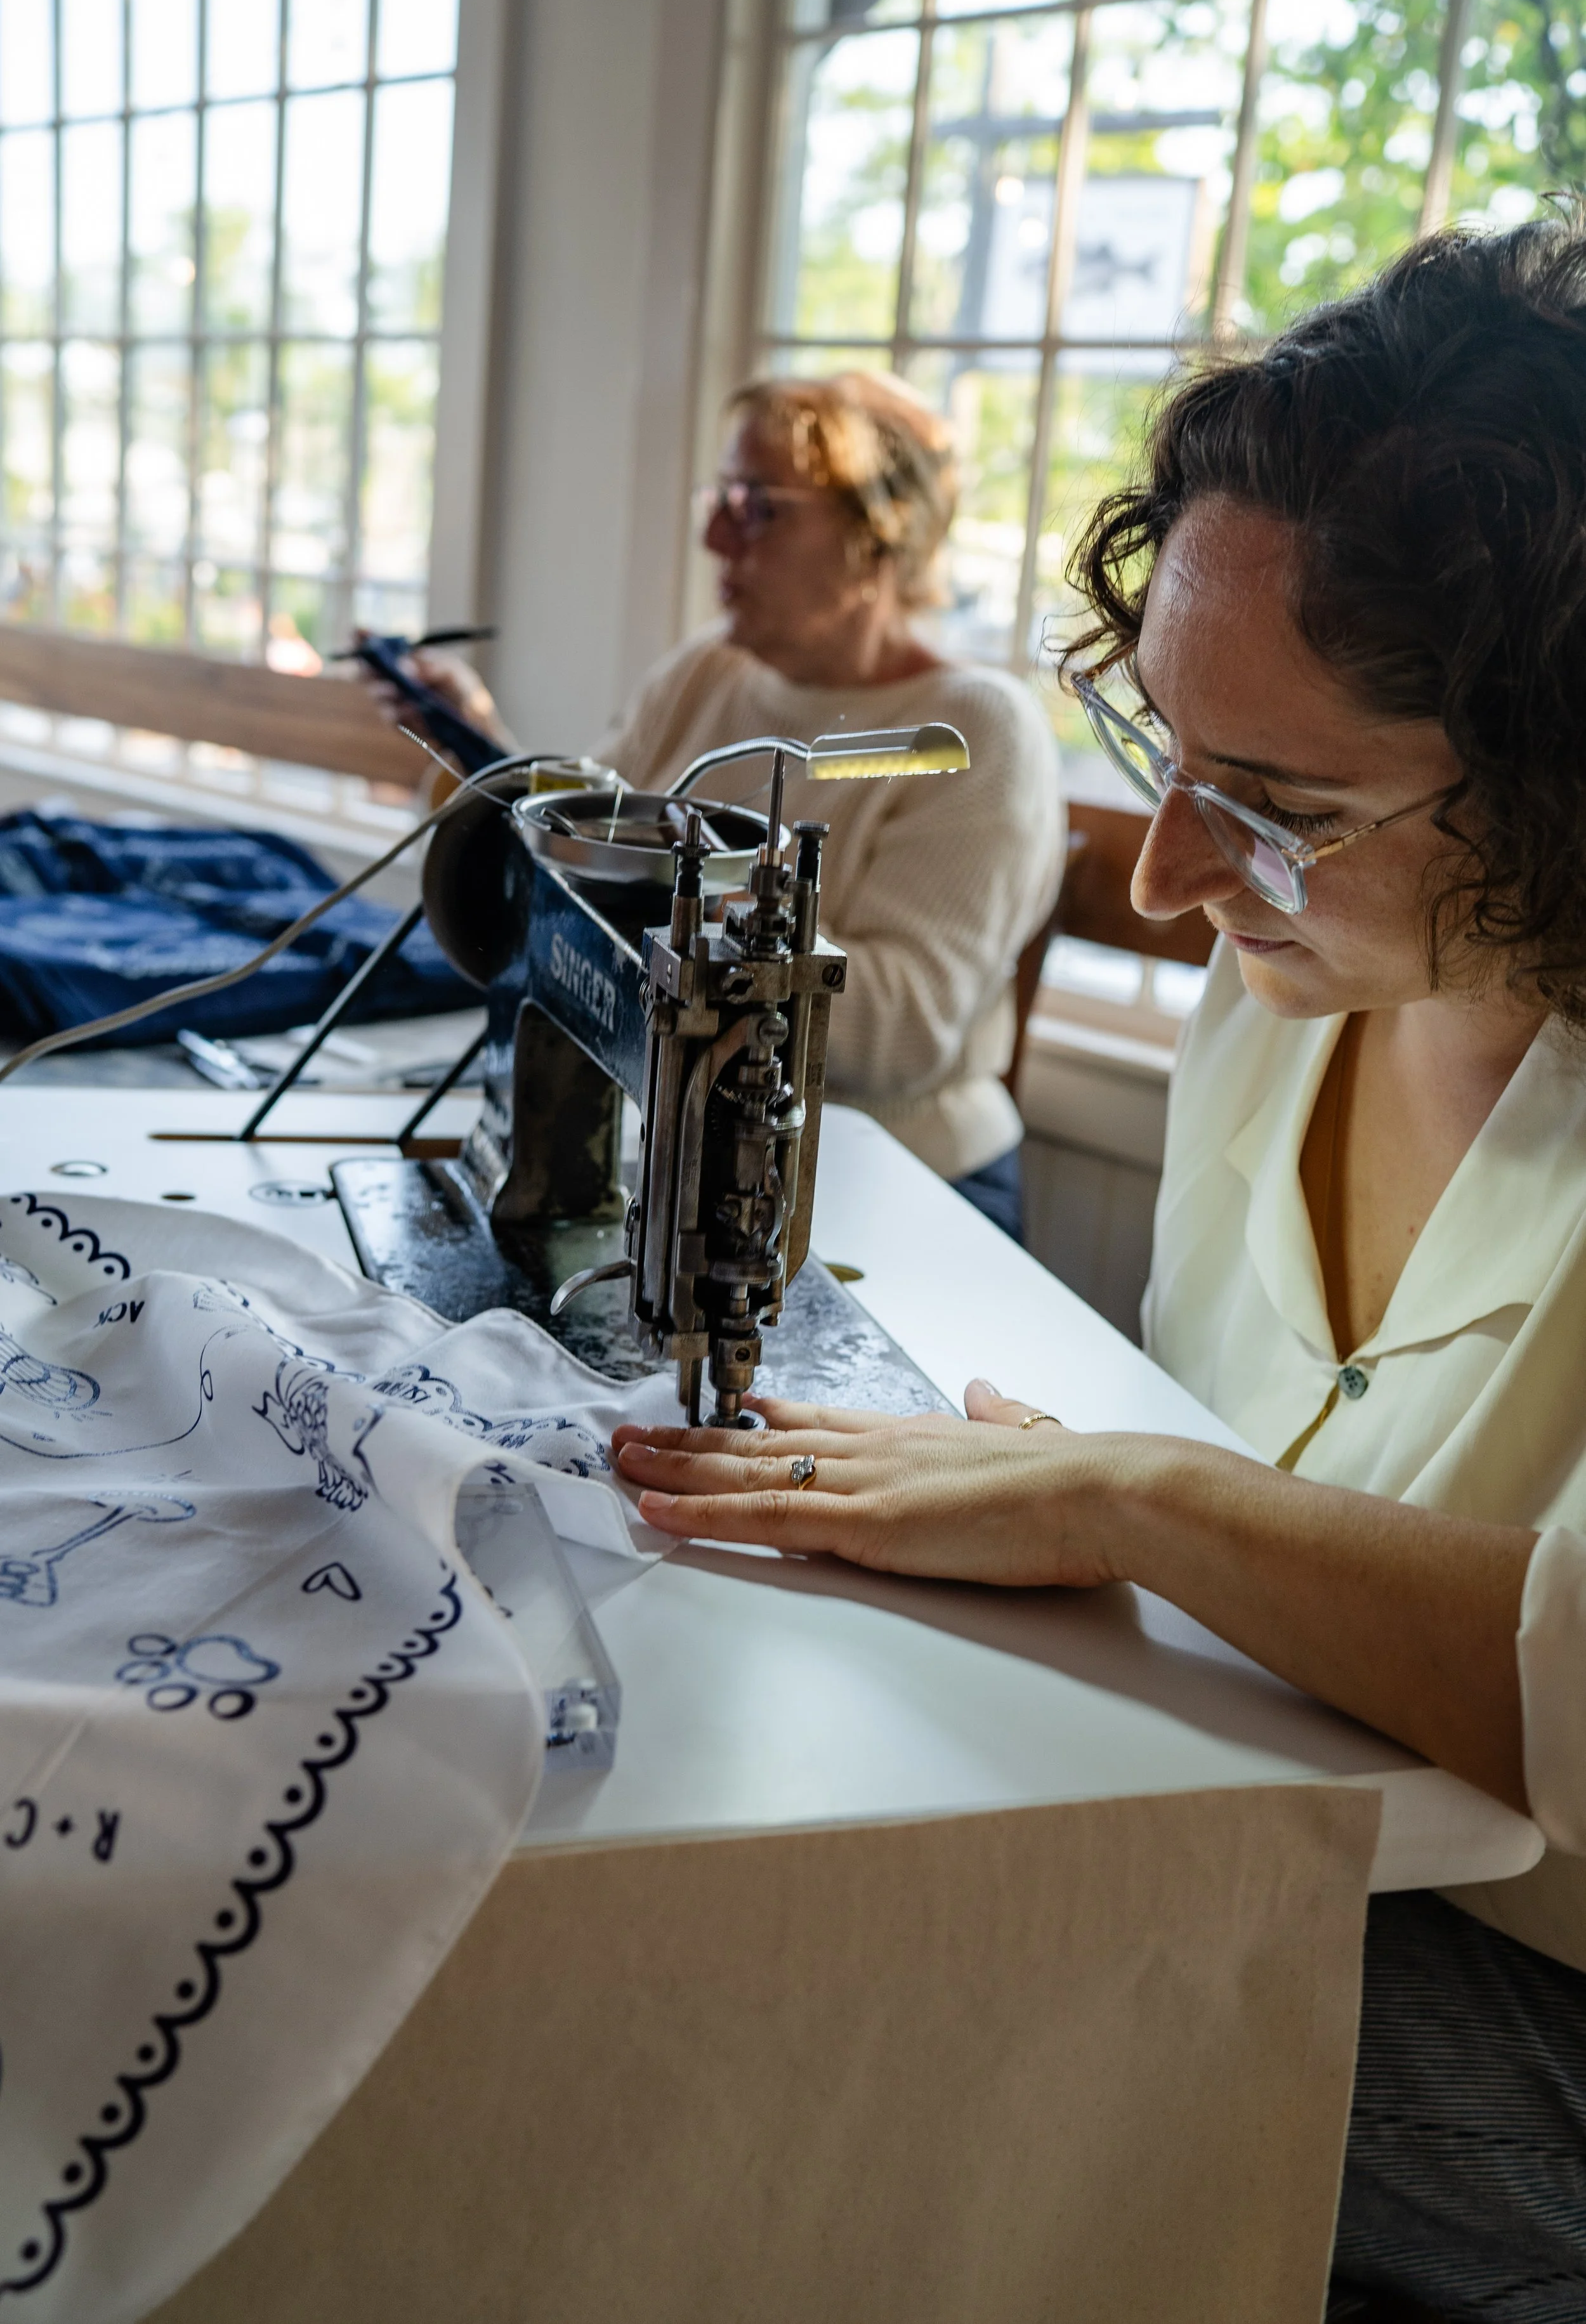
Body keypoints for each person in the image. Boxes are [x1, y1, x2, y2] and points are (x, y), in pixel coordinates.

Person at [611, 214, 1586, 2323]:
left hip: (1537, 2017)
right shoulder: (1292, 996)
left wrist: (1136, 1503)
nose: (1162, 877)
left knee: (787, 2029)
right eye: (1165, 757)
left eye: (1280, 803)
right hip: (1296, 1820)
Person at [393, 372, 1063, 1240]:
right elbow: (591, 848)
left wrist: (674, 908)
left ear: (878, 531)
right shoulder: (713, 670)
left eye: (759, 507)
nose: (714, 535)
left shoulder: (975, 732)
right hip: (691, 1161)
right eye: (723, 497)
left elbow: (904, 1032)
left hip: (895, 1182)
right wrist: (480, 751)